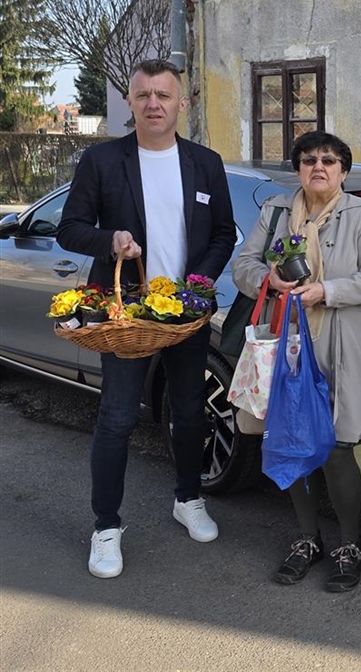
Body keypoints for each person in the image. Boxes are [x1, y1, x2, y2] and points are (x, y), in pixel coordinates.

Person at [56, 59, 237, 579]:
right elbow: (70, 228)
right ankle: (106, 528)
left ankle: (188, 498)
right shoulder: (102, 160)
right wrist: (107, 239)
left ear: (182, 103)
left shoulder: (205, 162)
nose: (153, 103)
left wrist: (195, 285)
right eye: (143, 95)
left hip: (184, 311)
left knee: (188, 410)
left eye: (163, 94)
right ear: (130, 104)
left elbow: (223, 233)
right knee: (116, 418)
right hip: (125, 312)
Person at [232, 132, 361, 592]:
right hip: (286, 341)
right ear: (297, 168)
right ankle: (307, 539)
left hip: (339, 340)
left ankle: (348, 543)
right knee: (291, 438)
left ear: (342, 170)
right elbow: (244, 265)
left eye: (328, 160)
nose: (317, 167)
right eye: (308, 160)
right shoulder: (277, 212)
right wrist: (270, 278)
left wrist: (328, 291)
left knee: (339, 446)